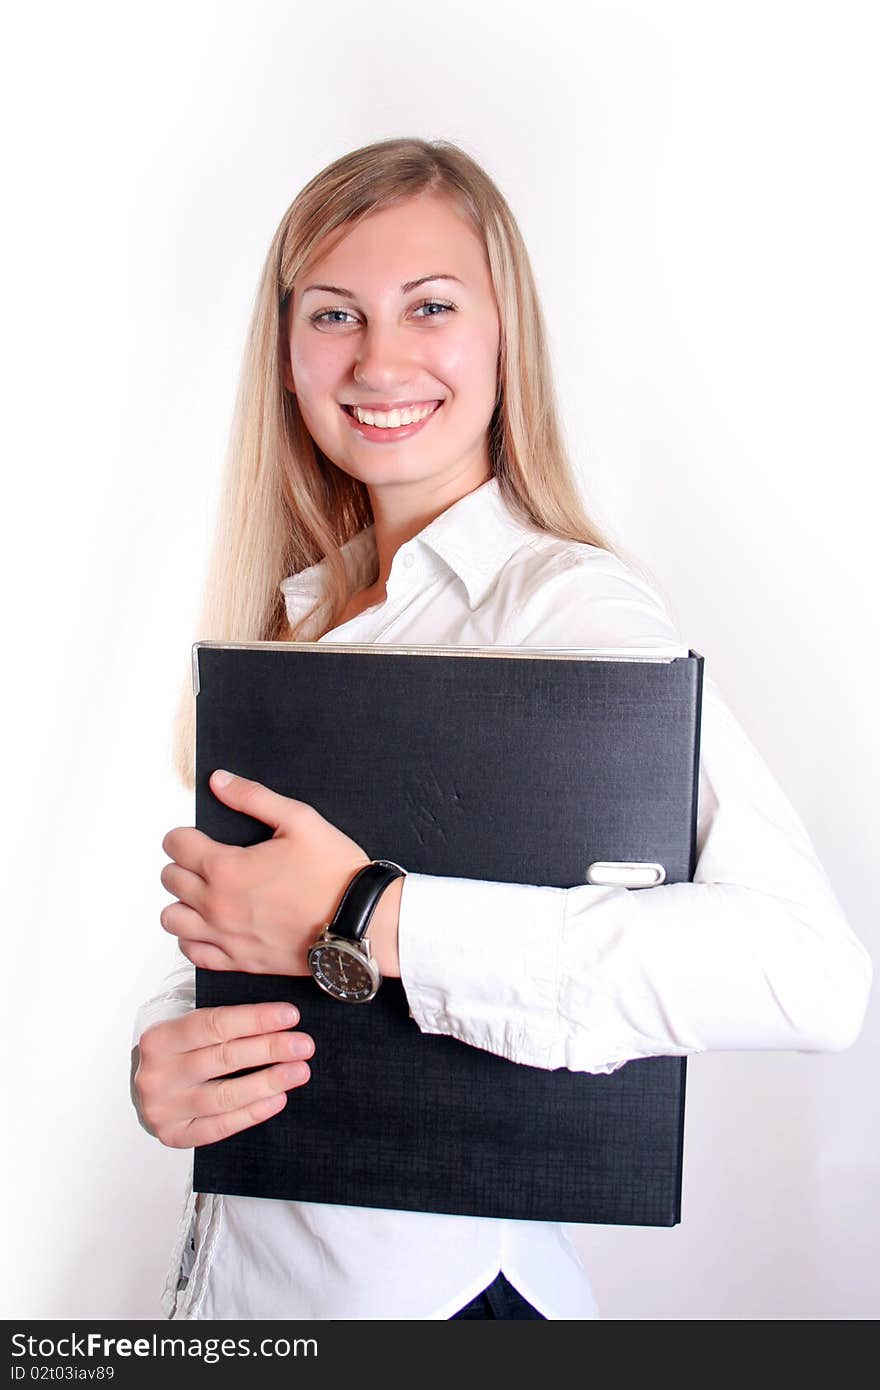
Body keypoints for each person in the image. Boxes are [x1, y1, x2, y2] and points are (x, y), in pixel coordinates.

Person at [130, 136, 872, 1321]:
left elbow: (806, 977)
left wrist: (370, 910)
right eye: (333, 315)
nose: (378, 359)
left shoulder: (569, 609)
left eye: (429, 306)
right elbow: (279, 963)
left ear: (504, 337)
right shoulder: (304, 616)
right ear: (283, 354)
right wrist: (180, 1049)